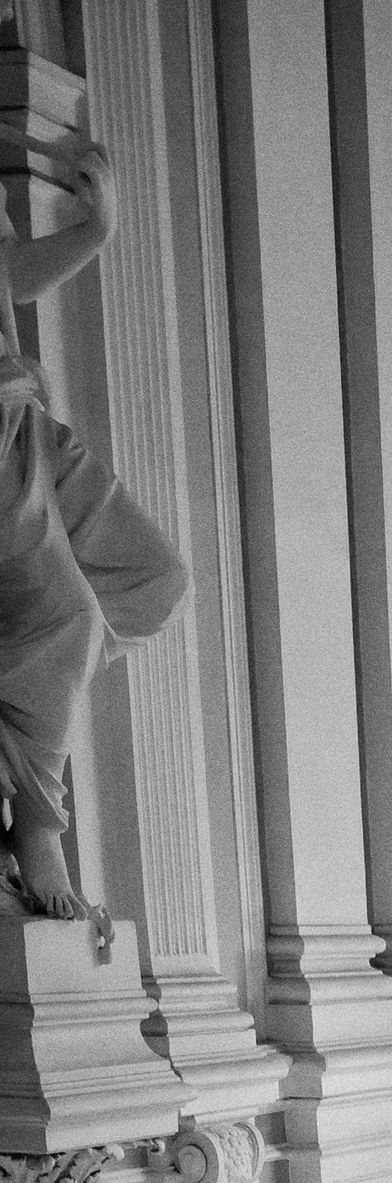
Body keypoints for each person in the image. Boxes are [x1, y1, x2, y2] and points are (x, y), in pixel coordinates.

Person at [0, 140, 188, 917]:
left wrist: (95, 233)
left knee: (155, 581)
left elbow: (6, 277)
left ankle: (15, 701)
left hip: (23, 418)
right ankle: (39, 823)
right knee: (71, 617)